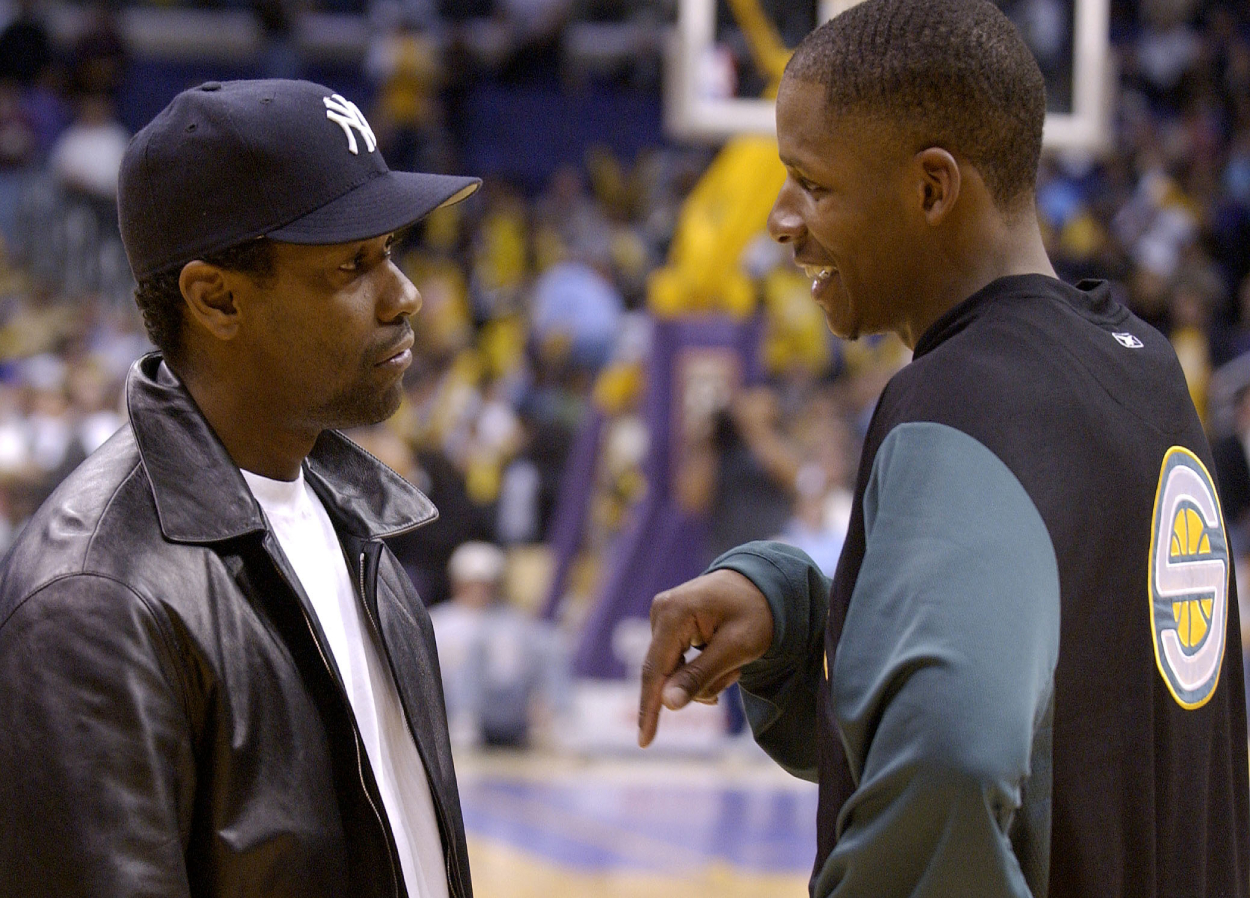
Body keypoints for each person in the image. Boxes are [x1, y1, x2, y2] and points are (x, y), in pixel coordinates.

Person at [637, 2, 1250, 896]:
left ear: (931, 188)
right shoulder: (1144, 369)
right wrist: (802, 620)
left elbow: (951, 766)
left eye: (811, 183)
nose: (779, 219)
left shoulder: (957, 402)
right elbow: (1069, 724)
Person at [0, 78, 481, 898]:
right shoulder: (93, 598)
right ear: (216, 298)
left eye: (392, 250)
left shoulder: (354, 524)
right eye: (353, 263)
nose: (405, 296)